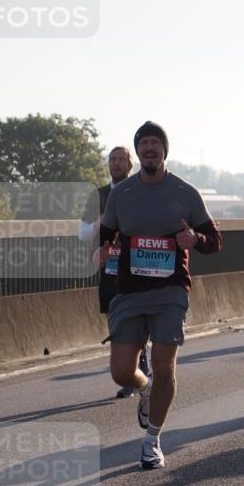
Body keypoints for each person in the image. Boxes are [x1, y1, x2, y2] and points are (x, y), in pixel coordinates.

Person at [97, 121, 222, 469]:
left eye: (156, 143)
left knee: (166, 365)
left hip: (170, 290)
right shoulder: (122, 194)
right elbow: (107, 232)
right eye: (144, 143)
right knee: (122, 372)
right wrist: (104, 248)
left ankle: (152, 438)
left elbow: (214, 240)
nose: (150, 148)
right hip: (130, 291)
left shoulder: (184, 192)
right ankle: (145, 388)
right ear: (137, 152)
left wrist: (195, 240)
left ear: (165, 150)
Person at [80, 146, 152, 398]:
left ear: (131, 165)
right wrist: (102, 221)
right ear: (108, 164)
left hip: (138, 267)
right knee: (117, 322)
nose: (118, 163)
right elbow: (82, 233)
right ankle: (135, 373)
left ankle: (139, 373)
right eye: (113, 159)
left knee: (137, 320)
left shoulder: (142, 190)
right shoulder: (98, 195)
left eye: (123, 159)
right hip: (110, 270)